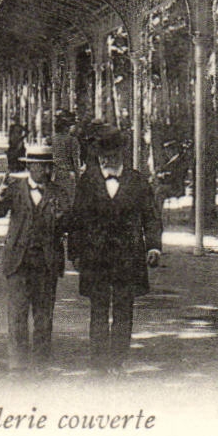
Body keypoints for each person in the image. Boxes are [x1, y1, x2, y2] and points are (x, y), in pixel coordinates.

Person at [68, 128, 161, 373]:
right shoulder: (88, 181)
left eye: (110, 155)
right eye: (101, 156)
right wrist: (75, 252)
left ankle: (117, 361)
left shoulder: (137, 181)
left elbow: (151, 217)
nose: (105, 161)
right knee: (98, 309)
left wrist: (153, 246)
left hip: (127, 257)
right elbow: (77, 219)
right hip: (95, 257)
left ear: (121, 154)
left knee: (123, 309)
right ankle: (98, 363)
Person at [0, 142, 70, 370]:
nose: (46, 171)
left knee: (44, 316)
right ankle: (18, 363)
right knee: (17, 315)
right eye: (41, 167)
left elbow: (69, 225)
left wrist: (62, 219)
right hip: (18, 262)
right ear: (30, 166)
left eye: (48, 167)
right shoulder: (14, 188)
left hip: (46, 262)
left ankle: (41, 362)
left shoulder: (58, 193)